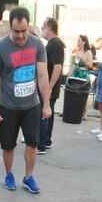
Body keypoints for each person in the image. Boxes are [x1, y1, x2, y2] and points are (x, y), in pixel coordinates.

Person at [0, 6, 51, 194]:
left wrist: (46, 104)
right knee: (8, 145)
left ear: (28, 26)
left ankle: (29, 177)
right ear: (10, 27)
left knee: (32, 143)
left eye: (24, 31)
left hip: (32, 106)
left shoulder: (37, 45)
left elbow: (42, 76)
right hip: (8, 106)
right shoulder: (1, 48)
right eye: (17, 31)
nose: (21, 36)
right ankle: (9, 174)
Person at [39, 16, 64, 154]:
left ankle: (41, 143)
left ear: (49, 27)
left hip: (49, 87)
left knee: (44, 113)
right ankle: (46, 141)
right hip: (49, 87)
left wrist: (48, 87)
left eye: (43, 26)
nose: (42, 29)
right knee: (49, 113)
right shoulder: (53, 43)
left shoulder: (55, 43)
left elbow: (57, 67)